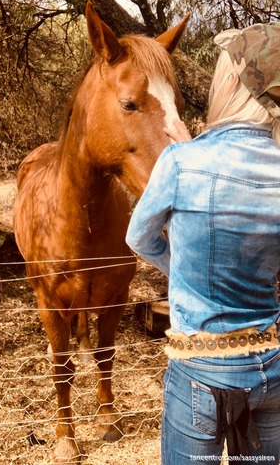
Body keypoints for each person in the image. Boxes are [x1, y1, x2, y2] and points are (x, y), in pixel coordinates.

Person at [126, 23, 280, 465]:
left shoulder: (181, 161)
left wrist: (184, 268)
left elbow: (139, 236)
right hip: (271, 369)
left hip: (201, 377)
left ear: (231, 82)